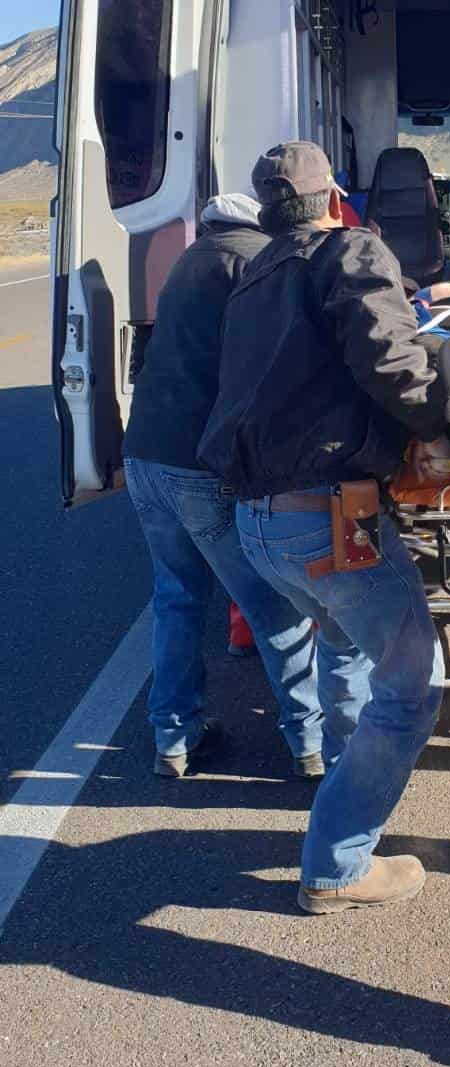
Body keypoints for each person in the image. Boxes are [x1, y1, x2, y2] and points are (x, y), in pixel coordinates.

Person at [199, 141, 450, 914]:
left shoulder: (253, 276)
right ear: (334, 199)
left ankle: (350, 776)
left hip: (258, 524)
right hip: (327, 519)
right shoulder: (351, 251)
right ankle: (337, 865)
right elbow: (389, 360)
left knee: (344, 644)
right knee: (412, 689)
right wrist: (446, 421)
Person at [123, 192, 325, 779]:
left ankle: (174, 739)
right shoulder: (256, 261)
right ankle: (310, 743)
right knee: (272, 605)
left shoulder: (188, 262)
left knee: (178, 598)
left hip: (146, 456)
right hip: (197, 466)